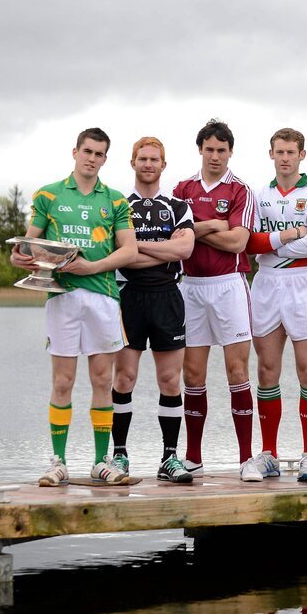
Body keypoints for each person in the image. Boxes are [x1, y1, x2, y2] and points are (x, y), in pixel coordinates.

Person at [10, 127, 137, 486]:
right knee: (63, 381)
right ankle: (58, 462)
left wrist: (92, 267)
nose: (91, 158)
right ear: (75, 152)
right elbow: (26, 245)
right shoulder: (49, 195)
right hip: (62, 298)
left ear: (105, 159)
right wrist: (20, 257)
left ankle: (100, 462)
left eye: (99, 154)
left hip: (103, 296)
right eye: (87, 151)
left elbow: (130, 250)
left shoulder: (114, 200)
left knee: (101, 380)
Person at [172, 119, 262, 481]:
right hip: (190, 285)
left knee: (237, 372)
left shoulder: (241, 190)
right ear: (200, 150)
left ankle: (246, 459)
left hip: (229, 285)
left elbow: (239, 242)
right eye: (209, 149)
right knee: (192, 374)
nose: (215, 156)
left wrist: (196, 229)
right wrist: (214, 225)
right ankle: (193, 457)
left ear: (230, 152)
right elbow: (178, 238)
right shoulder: (182, 189)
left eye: (221, 150)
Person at [243, 128, 307, 481]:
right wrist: (290, 235)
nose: (284, 158)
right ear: (271, 154)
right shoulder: (258, 195)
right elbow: (249, 243)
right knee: (266, 370)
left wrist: (273, 244)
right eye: (278, 151)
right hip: (265, 284)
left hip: (302, 285)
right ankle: (269, 454)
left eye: (291, 152)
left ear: (301, 155)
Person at [110, 137, 196, 483]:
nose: (148, 164)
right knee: (124, 378)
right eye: (142, 158)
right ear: (133, 163)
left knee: (169, 380)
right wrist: (164, 247)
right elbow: (123, 254)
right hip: (129, 296)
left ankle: (169, 457)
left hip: (167, 296)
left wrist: (136, 245)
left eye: (154, 159)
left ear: (163, 164)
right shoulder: (119, 205)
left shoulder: (178, 206)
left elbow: (185, 250)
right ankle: (119, 456)